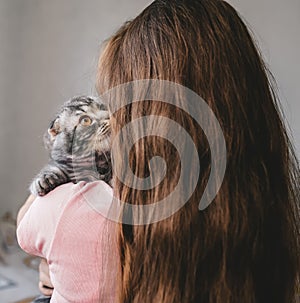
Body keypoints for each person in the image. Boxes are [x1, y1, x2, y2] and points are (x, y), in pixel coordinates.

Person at [19, 0, 299, 302]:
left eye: (120, 109)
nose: (113, 124)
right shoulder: (268, 231)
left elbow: (29, 222)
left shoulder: (95, 212)